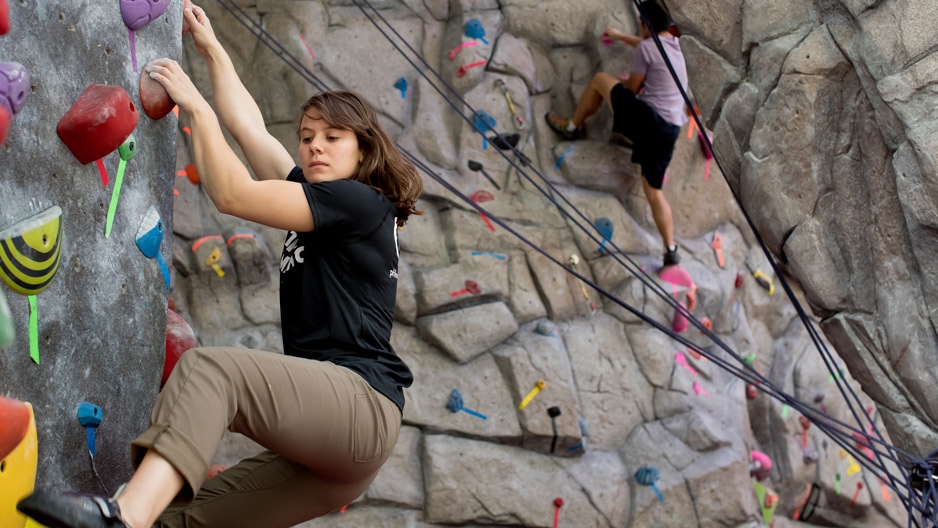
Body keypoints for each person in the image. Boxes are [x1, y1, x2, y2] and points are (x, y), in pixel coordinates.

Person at [18, 4, 420, 528]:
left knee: (210, 371)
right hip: (337, 458)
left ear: (363, 151)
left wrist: (195, 108)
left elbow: (232, 193)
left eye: (333, 138)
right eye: (307, 136)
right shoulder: (327, 201)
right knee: (183, 521)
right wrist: (213, 50)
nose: (314, 146)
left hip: (358, 407)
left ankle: (123, 517)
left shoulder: (359, 202)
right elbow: (250, 128)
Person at [545, 0, 688, 267]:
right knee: (653, 191)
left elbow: (633, 87)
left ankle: (571, 127)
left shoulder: (646, 48)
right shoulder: (678, 47)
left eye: (640, 24)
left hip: (648, 121)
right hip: (670, 130)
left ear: (645, 24)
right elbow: (651, 46)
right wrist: (622, 38)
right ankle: (671, 251)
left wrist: (623, 79)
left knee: (600, 79)